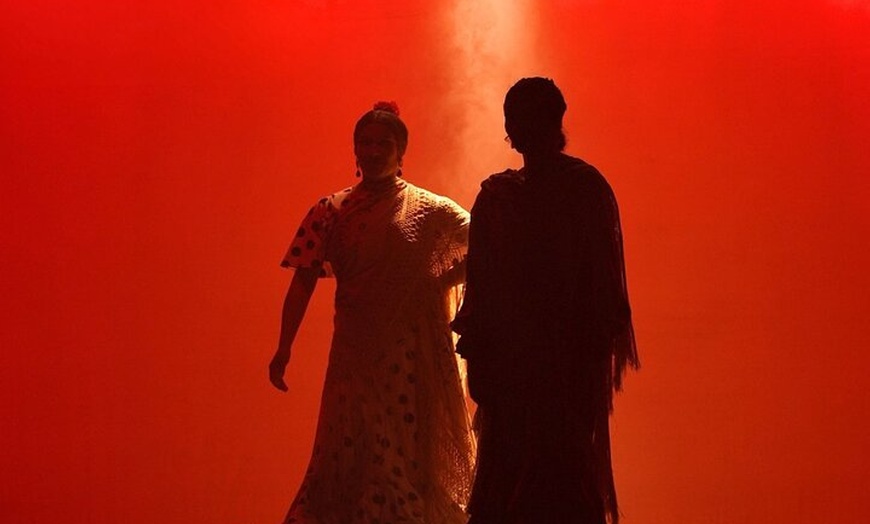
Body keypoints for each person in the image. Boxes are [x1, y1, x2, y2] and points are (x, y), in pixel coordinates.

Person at [268, 102, 475, 524]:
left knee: (401, 455)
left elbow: (488, 243)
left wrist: (438, 284)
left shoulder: (430, 210)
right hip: (353, 358)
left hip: (408, 358)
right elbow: (303, 279)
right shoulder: (332, 210)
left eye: (385, 144)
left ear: (402, 153)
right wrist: (283, 347)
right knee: (350, 452)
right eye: (366, 143)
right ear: (355, 150)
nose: (375, 151)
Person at [451, 77, 639, 524]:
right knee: (543, 484)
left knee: (528, 483)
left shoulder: (513, 196)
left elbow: (599, 293)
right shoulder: (512, 196)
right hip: (533, 372)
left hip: (545, 372)